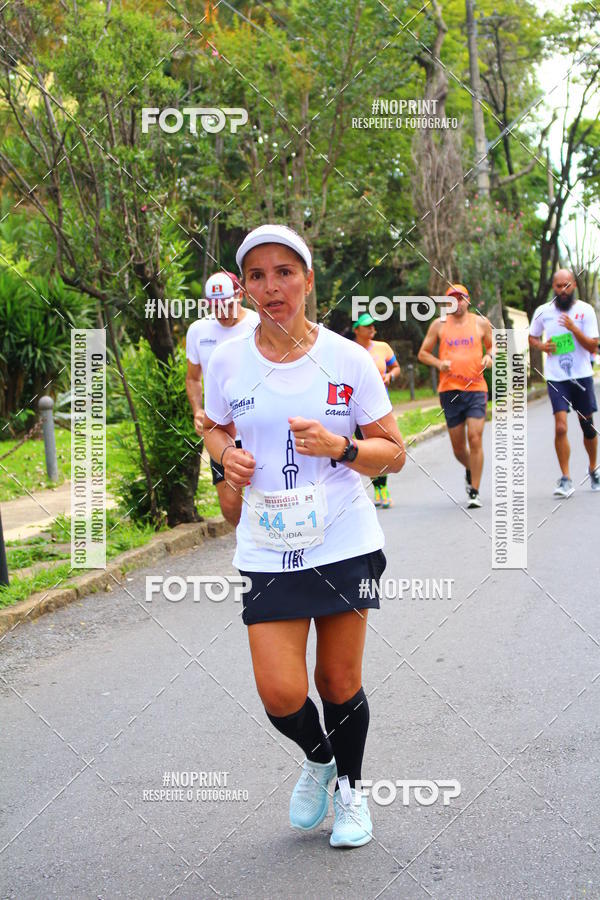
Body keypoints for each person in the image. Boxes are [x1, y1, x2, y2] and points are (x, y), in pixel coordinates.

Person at [203, 224, 405, 848]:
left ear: (308, 280)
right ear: (245, 288)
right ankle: (320, 758)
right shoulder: (226, 360)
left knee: (338, 682)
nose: (272, 287)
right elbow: (213, 426)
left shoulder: (348, 360)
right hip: (268, 544)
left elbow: (394, 453)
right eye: (257, 276)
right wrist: (226, 456)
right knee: (280, 692)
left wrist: (342, 447)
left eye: (284, 273)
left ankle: (351, 791)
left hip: (344, 541)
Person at [185, 271, 259, 523]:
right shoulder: (198, 331)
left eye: (227, 305)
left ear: (240, 296)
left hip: (256, 427)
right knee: (230, 506)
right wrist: (197, 410)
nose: (222, 312)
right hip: (221, 431)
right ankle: (246, 538)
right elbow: (193, 378)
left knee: (266, 494)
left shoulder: (258, 324)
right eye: (215, 306)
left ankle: (264, 544)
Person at [417, 284, 493, 508]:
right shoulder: (439, 325)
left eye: (460, 298)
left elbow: (493, 346)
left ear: (468, 301)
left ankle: (475, 491)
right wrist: (439, 363)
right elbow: (423, 353)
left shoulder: (480, 323)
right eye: (452, 299)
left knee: (475, 438)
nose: (456, 303)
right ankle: (471, 468)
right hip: (449, 390)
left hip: (476, 388)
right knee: (459, 449)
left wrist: (489, 356)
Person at [528, 268, 599, 496]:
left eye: (567, 285)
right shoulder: (543, 311)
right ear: (553, 288)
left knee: (587, 426)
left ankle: (593, 468)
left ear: (574, 285)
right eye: (559, 286)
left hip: (581, 375)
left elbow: (593, 345)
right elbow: (532, 336)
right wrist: (542, 346)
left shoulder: (585, 311)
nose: (563, 290)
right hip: (556, 377)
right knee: (560, 426)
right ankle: (566, 478)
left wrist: (573, 328)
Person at [352, 313, 401, 508]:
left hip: (379, 408)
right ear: (357, 330)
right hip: (356, 408)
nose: (372, 329)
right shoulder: (350, 350)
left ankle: (384, 488)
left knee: (382, 446)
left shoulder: (383, 347)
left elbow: (395, 367)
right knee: (366, 449)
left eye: (373, 325)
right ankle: (377, 488)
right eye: (367, 326)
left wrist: (390, 376)